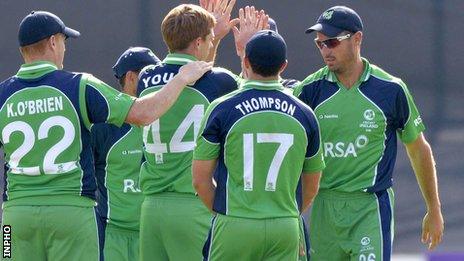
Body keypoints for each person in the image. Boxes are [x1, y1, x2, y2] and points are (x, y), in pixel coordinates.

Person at [0, 11, 210, 261]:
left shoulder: (3, 94)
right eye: (64, 42)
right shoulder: (79, 85)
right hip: (72, 214)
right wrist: (181, 79)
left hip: (14, 218)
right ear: (54, 42)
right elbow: (144, 113)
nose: (64, 50)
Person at [294, 6, 444, 260]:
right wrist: (293, 220)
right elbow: (292, 157)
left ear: (357, 39)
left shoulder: (390, 90)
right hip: (323, 207)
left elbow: (419, 149)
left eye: (332, 41)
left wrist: (434, 209)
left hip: (370, 207)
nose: (326, 50)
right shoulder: (308, 91)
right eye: (320, 44)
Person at [192, 29, 325, 260]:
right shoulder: (305, 114)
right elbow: (312, 185)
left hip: (235, 223)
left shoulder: (222, 108)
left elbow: (200, 179)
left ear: (245, 62)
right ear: (283, 66)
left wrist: (225, 211)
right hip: (285, 227)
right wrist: (284, 213)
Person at [137, 4, 239, 261]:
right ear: (197, 42)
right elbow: (220, 86)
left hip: (151, 208)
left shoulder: (146, 77)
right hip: (194, 204)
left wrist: (210, 37)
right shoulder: (221, 80)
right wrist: (244, 49)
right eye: (209, 38)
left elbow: (192, 78)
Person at [91, 47, 160, 261]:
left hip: (153, 234)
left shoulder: (165, 119)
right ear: (131, 77)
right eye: (148, 74)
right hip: (113, 236)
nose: (155, 81)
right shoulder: (105, 126)